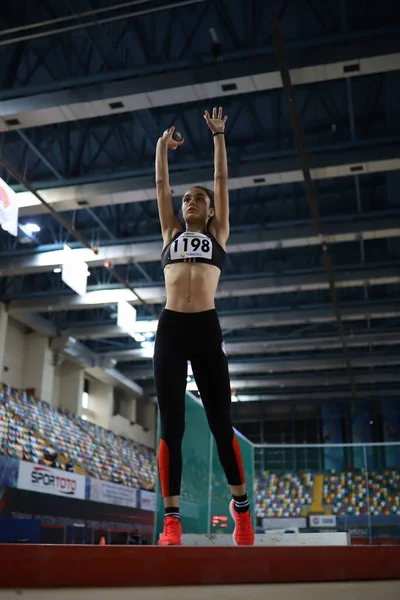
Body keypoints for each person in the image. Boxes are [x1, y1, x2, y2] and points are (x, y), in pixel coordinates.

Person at [154, 106, 255, 546]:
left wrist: (218, 137)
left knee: (219, 422)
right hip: (171, 330)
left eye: (197, 199)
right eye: (185, 199)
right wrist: (161, 149)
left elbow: (221, 183)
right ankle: (171, 520)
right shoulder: (170, 232)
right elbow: (161, 184)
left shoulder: (218, 233)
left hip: (207, 330)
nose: (188, 201)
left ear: (209, 210)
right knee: (171, 425)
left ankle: (242, 511)